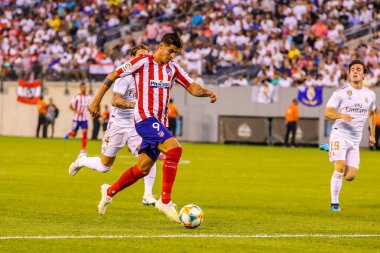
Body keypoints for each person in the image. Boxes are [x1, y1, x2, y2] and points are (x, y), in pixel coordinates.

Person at [88, 33, 217, 223]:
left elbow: (192, 87)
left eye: (175, 53)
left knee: (142, 169)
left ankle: (109, 191)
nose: (172, 56)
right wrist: (96, 101)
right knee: (175, 149)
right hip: (144, 120)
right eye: (171, 51)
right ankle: (165, 201)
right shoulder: (142, 63)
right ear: (161, 46)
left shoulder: (173, 69)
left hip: (160, 123)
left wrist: (207, 92)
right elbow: (112, 75)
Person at [69, 44, 157, 206]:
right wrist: (137, 105)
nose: (144, 59)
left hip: (137, 125)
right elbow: (115, 101)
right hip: (118, 124)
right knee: (104, 166)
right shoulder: (125, 76)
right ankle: (82, 160)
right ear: (132, 58)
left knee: (148, 158)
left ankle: (148, 195)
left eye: (146, 56)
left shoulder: (147, 78)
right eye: (140, 56)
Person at [325, 59, 376, 212]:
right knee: (339, 167)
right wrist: (340, 115)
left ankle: (330, 149)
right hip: (340, 134)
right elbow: (327, 112)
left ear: (364, 74)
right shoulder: (340, 92)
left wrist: (372, 134)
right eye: (352, 69)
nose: (355, 71)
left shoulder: (370, 94)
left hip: (355, 140)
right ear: (349, 74)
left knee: (350, 176)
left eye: (358, 69)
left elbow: (372, 114)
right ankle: (334, 204)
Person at [64, 82, 92, 153]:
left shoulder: (89, 97)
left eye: (85, 87)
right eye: (82, 87)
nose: (84, 88)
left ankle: (83, 149)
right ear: (80, 88)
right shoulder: (76, 96)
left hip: (84, 119)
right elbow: (70, 106)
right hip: (76, 119)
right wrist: (77, 111)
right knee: (73, 134)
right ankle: (68, 133)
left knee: (85, 133)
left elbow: (90, 107)